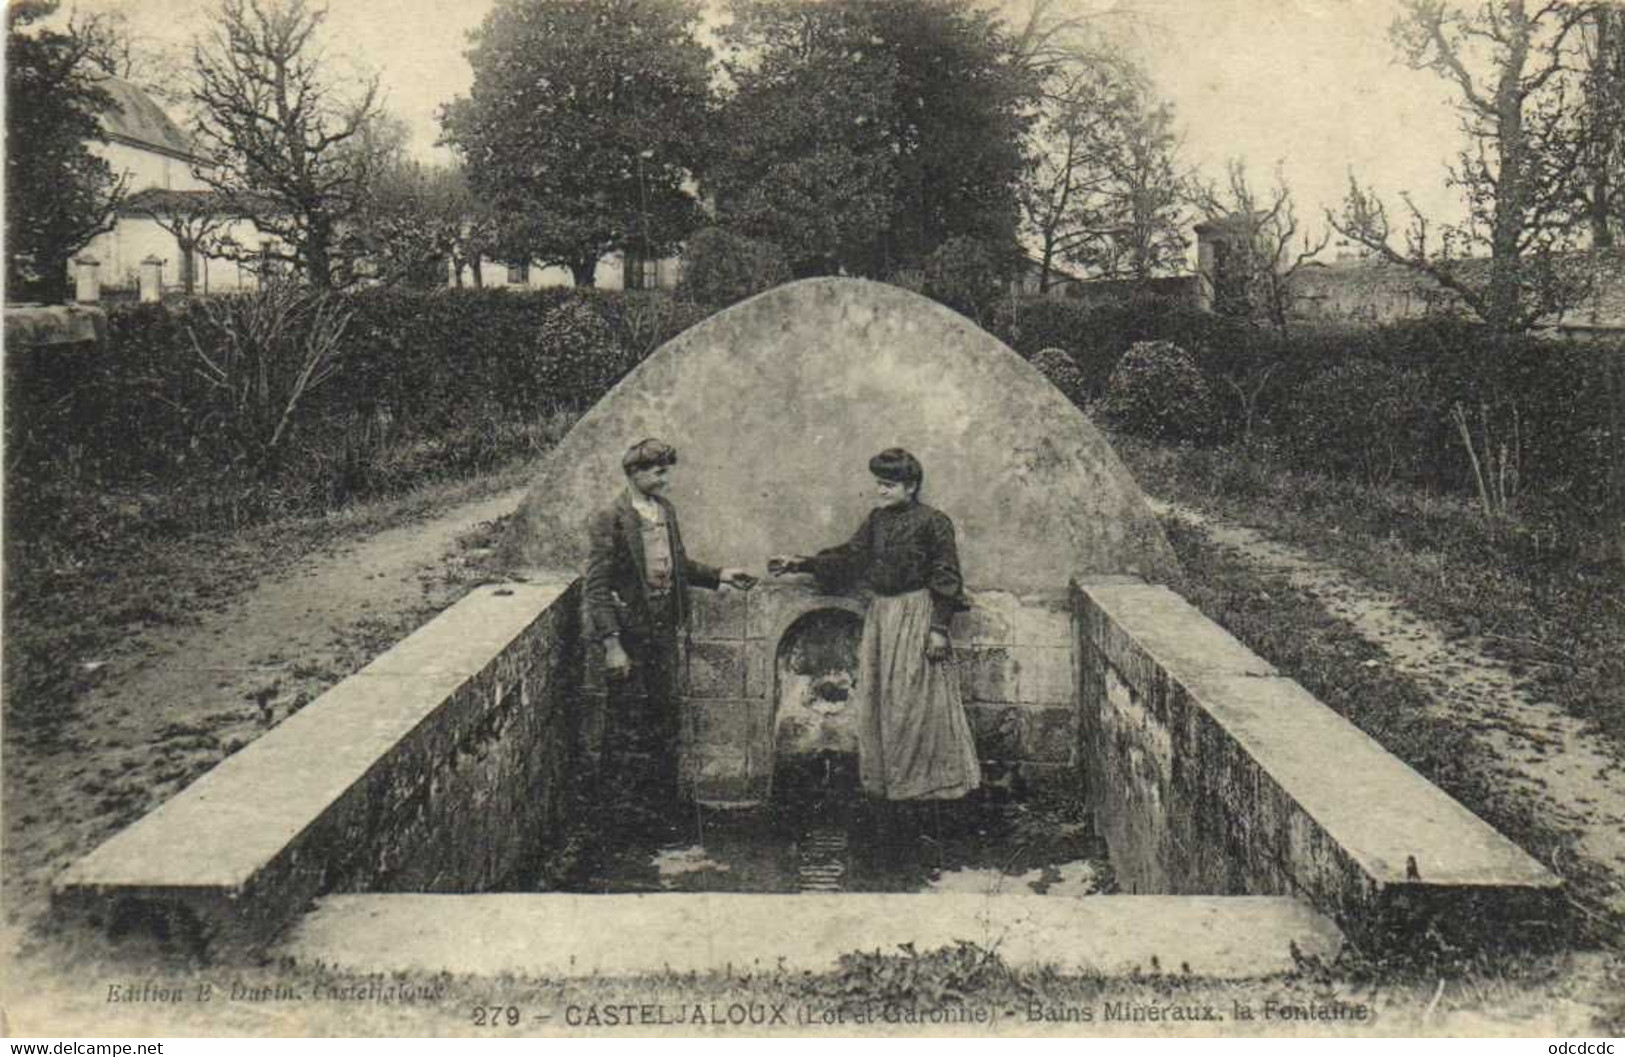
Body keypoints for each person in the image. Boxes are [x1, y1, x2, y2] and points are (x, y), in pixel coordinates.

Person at [769, 448, 981, 808]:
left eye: (889, 485)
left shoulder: (934, 522)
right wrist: (800, 564)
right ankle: (894, 785)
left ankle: (930, 788)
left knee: (914, 701)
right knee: (885, 700)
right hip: (882, 617)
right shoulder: (877, 521)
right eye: (879, 484)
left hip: (916, 614)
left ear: (911, 486)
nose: (881, 491)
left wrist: (939, 628)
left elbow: (947, 576)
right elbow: (850, 558)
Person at [584, 438, 755, 822]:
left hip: (662, 635)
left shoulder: (665, 512)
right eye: (659, 472)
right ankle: (617, 817)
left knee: (664, 719)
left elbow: (680, 564)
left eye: (666, 471)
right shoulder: (611, 517)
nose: (666, 479)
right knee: (625, 724)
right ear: (635, 473)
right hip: (629, 636)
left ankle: (660, 813)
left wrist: (721, 575)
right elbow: (595, 588)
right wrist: (612, 645)